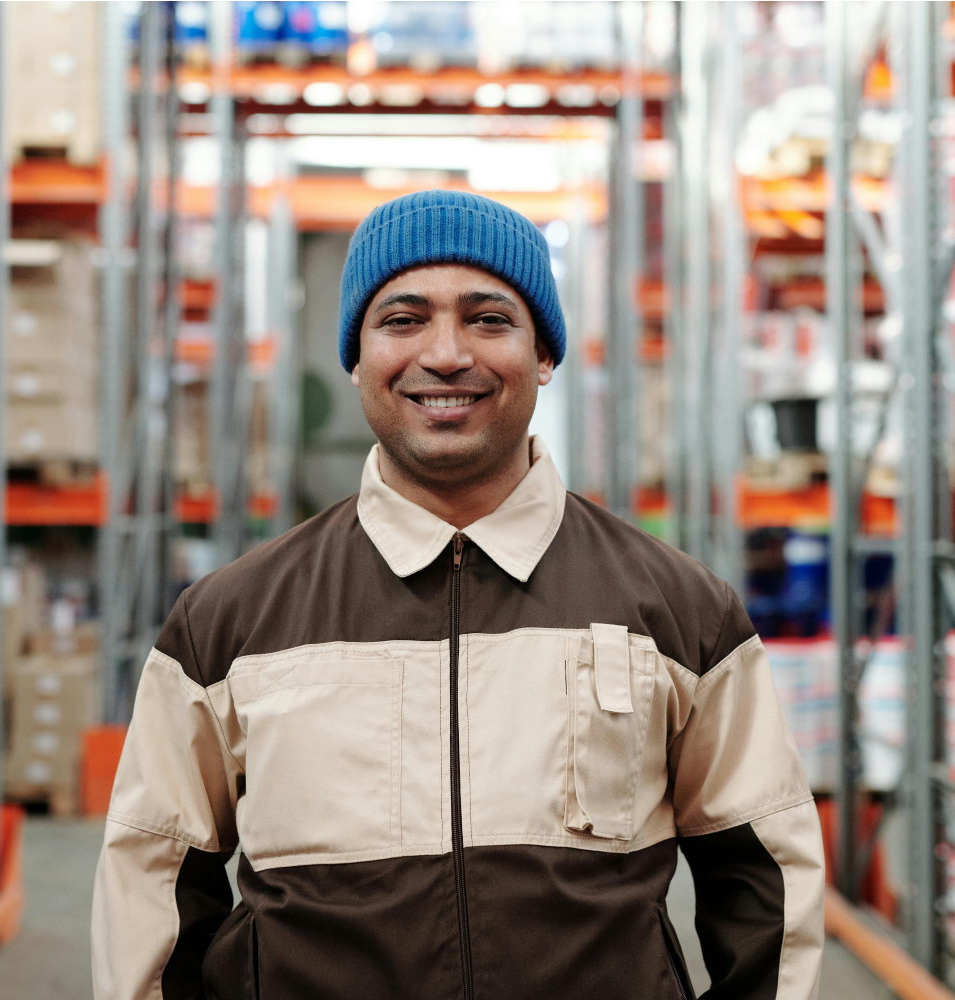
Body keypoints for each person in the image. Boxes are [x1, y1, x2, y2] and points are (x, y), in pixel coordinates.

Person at [92, 189, 824, 1000]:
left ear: (544, 354)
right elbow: (151, 883)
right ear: (356, 356)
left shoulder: (682, 612)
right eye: (403, 320)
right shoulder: (229, 622)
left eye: (488, 319)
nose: (445, 354)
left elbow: (766, 882)